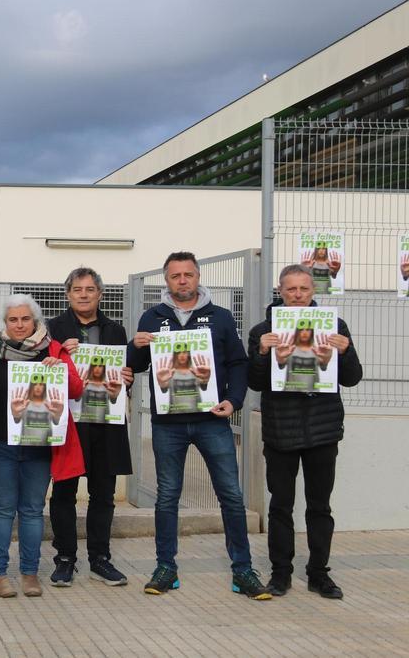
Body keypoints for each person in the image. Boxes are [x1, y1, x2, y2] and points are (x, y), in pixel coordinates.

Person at [126, 252, 271, 600]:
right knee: (167, 499)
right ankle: (166, 568)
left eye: (188, 274)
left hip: (211, 420)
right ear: (166, 280)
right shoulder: (152, 316)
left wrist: (234, 402)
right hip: (168, 425)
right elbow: (135, 367)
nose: (182, 281)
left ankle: (243, 571)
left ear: (198, 276)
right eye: (175, 275)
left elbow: (237, 363)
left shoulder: (219, 318)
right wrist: (135, 346)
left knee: (231, 497)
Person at [247, 264, 363, 599]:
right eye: (290, 290)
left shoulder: (334, 327)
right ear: (280, 291)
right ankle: (281, 573)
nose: (297, 295)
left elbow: (351, 377)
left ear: (313, 291)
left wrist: (346, 350)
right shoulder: (263, 331)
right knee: (281, 505)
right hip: (280, 428)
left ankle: (318, 574)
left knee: (319, 506)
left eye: (304, 289)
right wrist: (262, 353)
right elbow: (255, 382)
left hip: (322, 429)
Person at [0, 294, 84, 599]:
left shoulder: (53, 350)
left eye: (25, 319)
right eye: (13, 319)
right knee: (1, 511)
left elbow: (76, 390)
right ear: (5, 323)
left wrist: (59, 369)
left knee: (33, 511)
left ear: (35, 321)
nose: (19, 325)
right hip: (0, 443)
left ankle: (29, 573)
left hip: (38, 446)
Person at [46, 266, 133, 587]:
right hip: (68, 422)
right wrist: (57, 356)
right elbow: (38, 373)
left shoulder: (116, 331)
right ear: (67, 294)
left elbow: (123, 378)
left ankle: (100, 558)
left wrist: (127, 379)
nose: (83, 295)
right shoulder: (52, 329)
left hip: (104, 423)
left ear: (100, 294)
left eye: (90, 289)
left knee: (103, 494)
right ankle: (65, 558)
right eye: (77, 290)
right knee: (64, 492)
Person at [272, 324, 333, 392]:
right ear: (297, 332)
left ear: (312, 332)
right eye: (301, 329)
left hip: (312, 394)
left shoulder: (317, 350)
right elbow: (281, 366)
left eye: (307, 329)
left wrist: (326, 360)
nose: (304, 332)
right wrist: (280, 357)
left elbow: (323, 368)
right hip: (290, 394)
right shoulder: (290, 349)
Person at [156, 347, 211, 413]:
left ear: (188, 354)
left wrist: (205, 381)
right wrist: (162, 383)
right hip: (175, 415)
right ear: (175, 355)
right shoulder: (170, 372)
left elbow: (203, 387)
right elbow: (164, 389)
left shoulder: (195, 371)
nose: (182, 355)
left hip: (196, 413)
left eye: (184, 352)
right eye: (179, 353)